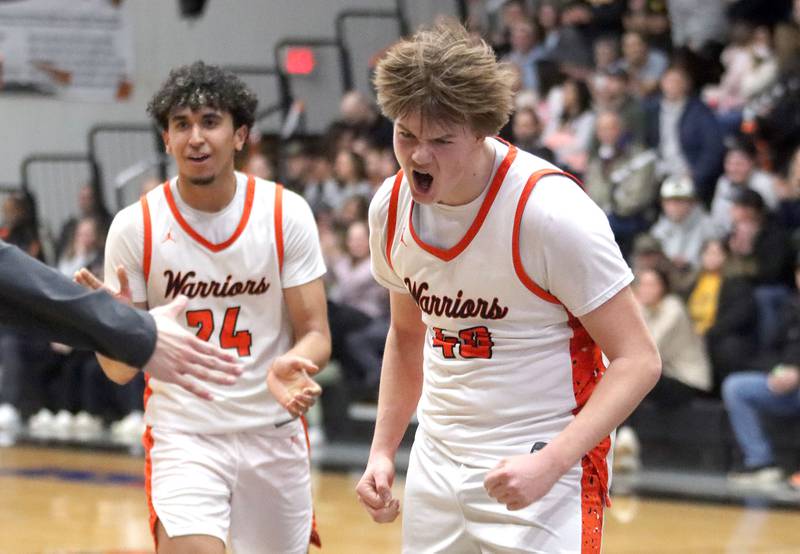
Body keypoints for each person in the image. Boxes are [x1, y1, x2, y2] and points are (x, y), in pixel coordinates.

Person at [355, 21, 661, 553]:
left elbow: (638, 359)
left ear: (483, 132)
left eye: (441, 140)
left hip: (542, 459)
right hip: (437, 454)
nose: (418, 157)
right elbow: (407, 338)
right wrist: (383, 451)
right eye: (406, 135)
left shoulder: (550, 213)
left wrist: (553, 461)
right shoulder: (390, 206)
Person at [78, 61, 330, 553]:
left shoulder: (285, 213)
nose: (196, 137)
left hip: (271, 431)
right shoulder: (135, 228)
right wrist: (109, 327)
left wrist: (292, 365)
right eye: (181, 124)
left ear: (240, 135)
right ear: (166, 140)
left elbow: (316, 331)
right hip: (185, 435)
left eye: (210, 121)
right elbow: (117, 373)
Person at [0, 239, 242, 397]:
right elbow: (119, 372)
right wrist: (131, 327)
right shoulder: (132, 229)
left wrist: (125, 326)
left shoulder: (275, 214)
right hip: (181, 438)